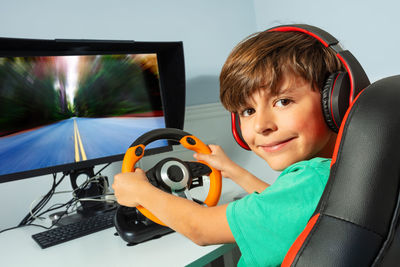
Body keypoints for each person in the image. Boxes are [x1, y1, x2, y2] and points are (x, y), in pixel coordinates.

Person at [112, 27, 344, 266]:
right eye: (248, 111)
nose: (261, 125)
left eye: (283, 101)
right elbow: (278, 205)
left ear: (335, 100)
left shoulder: (312, 180)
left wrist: (141, 192)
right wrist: (233, 170)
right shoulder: (325, 177)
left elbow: (200, 228)